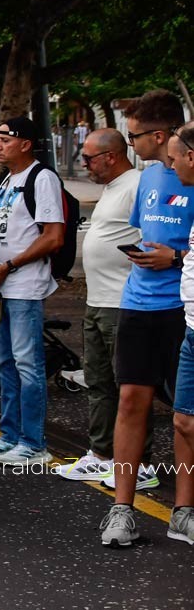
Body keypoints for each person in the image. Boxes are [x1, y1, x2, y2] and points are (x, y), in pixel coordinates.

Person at [99, 90, 193, 545]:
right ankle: (121, 508)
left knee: (184, 416)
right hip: (138, 303)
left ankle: (183, 510)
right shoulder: (149, 178)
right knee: (131, 401)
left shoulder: (189, 174)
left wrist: (173, 258)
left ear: (160, 134)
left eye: (134, 135)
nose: (129, 143)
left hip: (182, 308)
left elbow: (182, 248)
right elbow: (145, 231)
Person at [0, 117, 64, 467]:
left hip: (23, 286)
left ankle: (34, 442)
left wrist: (11, 265)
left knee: (27, 364)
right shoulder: (6, 180)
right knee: (3, 363)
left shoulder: (42, 179)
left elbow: (53, 237)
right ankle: (9, 436)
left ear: (25, 143)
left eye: (5, 139)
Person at [52, 129, 139, 485]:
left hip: (121, 302)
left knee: (129, 387)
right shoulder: (112, 189)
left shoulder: (136, 185)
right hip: (98, 301)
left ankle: (137, 461)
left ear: (111, 156)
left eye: (88, 158)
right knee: (100, 383)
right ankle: (102, 453)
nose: (83, 164)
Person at [164, 123, 194, 546]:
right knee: (184, 421)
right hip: (192, 328)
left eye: (175, 157)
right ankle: (182, 514)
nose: (170, 165)